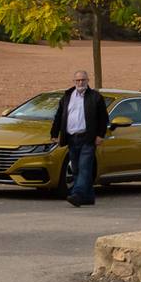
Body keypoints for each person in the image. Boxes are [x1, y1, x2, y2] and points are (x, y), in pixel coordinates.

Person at [47, 69, 109, 207]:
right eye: (78, 80)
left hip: (88, 138)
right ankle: (88, 197)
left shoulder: (95, 97)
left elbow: (103, 118)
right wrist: (54, 133)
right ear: (74, 81)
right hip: (71, 138)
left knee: (85, 167)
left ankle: (77, 194)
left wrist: (100, 135)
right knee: (76, 168)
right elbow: (59, 115)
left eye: (83, 80)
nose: (80, 82)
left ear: (88, 81)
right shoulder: (67, 96)